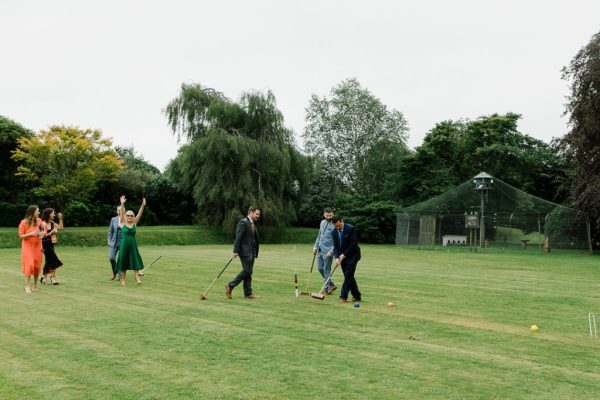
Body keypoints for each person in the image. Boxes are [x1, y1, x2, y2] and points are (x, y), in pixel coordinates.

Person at [225, 206, 260, 299]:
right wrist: (235, 251)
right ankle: (230, 285)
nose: (258, 216)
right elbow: (238, 238)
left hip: (251, 252)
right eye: (257, 214)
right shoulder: (243, 222)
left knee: (249, 272)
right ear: (251, 212)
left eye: (258, 214)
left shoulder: (252, 223)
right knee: (247, 271)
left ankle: (248, 293)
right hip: (245, 252)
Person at [331, 215, 362, 303]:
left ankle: (343, 297)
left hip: (353, 256)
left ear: (342, 221)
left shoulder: (350, 229)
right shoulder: (334, 232)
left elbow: (353, 244)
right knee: (349, 276)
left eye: (339, 225)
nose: (338, 227)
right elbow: (335, 246)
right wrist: (337, 257)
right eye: (336, 226)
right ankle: (357, 296)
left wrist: (344, 254)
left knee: (348, 275)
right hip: (342, 257)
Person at [116, 195, 146, 286]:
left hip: (132, 245)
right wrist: (122, 204)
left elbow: (139, 214)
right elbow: (121, 213)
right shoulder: (122, 223)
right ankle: (123, 279)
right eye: (128, 215)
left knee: (134, 260)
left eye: (131, 215)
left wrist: (143, 205)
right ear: (125, 216)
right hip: (124, 245)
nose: (129, 216)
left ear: (133, 217)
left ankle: (137, 277)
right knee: (124, 262)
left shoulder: (134, 223)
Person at [18, 205, 44, 293]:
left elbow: (42, 231)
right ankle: (27, 286)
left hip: (38, 246)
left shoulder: (39, 221)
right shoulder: (24, 222)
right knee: (29, 265)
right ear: (33, 212)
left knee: (37, 266)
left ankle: (35, 285)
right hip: (27, 247)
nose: (39, 213)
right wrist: (32, 233)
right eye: (38, 211)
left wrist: (42, 234)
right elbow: (21, 236)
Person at [312, 207, 337, 294]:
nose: (329, 217)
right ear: (324, 214)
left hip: (328, 252)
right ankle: (332, 285)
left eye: (330, 215)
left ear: (333, 214)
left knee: (326, 270)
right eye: (327, 215)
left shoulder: (335, 225)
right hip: (320, 249)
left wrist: (331, 251)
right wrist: (315, 246)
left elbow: (336, 241)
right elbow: (319, 235)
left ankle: (325, 290)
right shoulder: (322, 222)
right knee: (320, 268)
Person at [40, 208, 64, 285]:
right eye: (52, 213)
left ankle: (44, 278)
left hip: (51, 244)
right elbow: (41, 236)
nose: (54, 215)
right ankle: (53, 277)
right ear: (48, 214)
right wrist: (50, 233)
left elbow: (61, 228)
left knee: (49, 261)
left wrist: (60, 219)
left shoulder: (53, 223)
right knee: (53, 259)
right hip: (44, 245)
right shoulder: (41, 224)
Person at [107, 205, 122, 280]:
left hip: (123, 242)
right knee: (111, 257)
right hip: (114, 242)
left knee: (121, 259)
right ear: (117, 211)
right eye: (118, 210)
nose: (120, 211)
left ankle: (120, 275)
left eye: (121, 210)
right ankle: (114, 271)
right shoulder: (113, 219)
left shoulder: (127, 219)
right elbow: (110, 231)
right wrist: (109, 240)